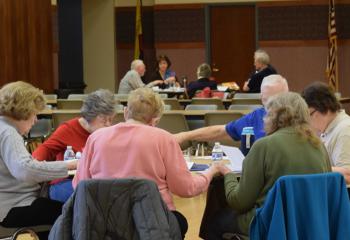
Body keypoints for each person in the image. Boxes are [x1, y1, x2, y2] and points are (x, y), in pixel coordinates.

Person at [72, 88, 219, 239]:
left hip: (104, 223)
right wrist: (210, 172)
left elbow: (80, 185)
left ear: (125, 111)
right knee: (180, 222)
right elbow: (185, 188)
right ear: (155, 120)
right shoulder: (164, 139)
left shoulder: (96, 138)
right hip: (153, 222)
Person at [207, 92, 331, 238]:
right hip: (310, 224)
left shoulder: (264, 146)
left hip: (270, 224)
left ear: (274, 116)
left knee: (214, 222)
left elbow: (239, 202)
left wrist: (228, 174)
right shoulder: (319, 146)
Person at [0, 81, 76, 233]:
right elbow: (24, 170)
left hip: (9, 204)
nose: (35, 120)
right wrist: (71, 165)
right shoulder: (9, 133)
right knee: (75, 215)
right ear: (23, 111)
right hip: (13, 206)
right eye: (34, 114)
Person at [32, 89, 116, 203]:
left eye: (111, 119)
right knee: (92, 198)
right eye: (104, 120)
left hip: (95, 181)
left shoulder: (107, 133)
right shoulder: (68, 129)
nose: (108, 124)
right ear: (90, 115)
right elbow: (42, 153)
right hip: (66, 181)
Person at [175, 74, 288, 149]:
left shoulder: (300, 118)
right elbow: (220, 131)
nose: (273, 107)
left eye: (278, 100)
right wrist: (185, 135)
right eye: (267, 100)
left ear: (288, 96)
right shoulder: (256, 117)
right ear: (261, 97)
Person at [302, 82, 350, 183]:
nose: (307, 121)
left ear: (325, 108)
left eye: (309, 114)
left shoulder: (345, 129)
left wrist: (311, 167)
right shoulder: (327, 129)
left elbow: (347, 174)